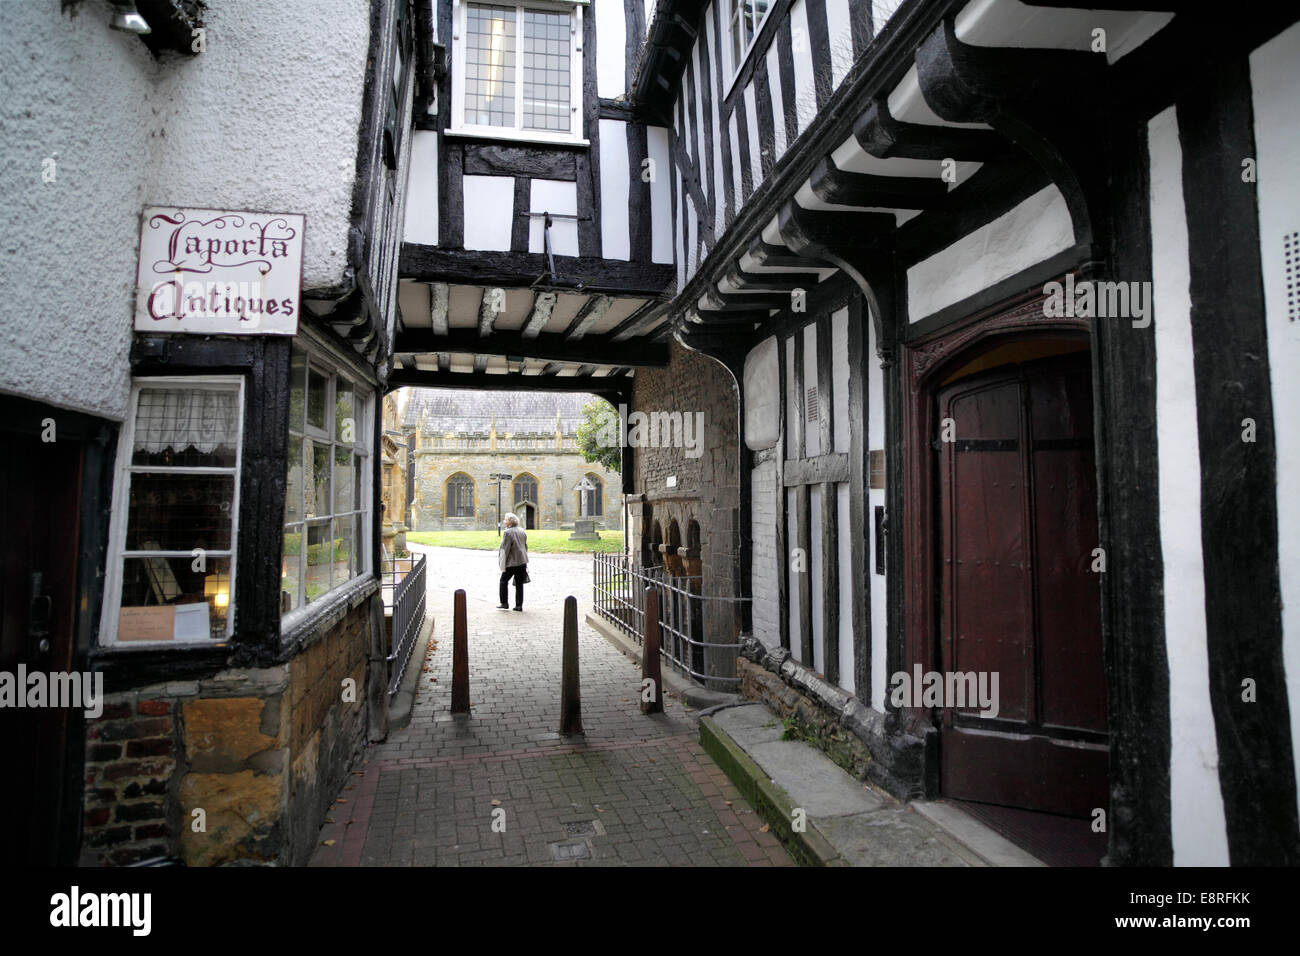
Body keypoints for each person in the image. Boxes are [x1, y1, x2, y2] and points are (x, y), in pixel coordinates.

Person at [497, 512, 529, 611]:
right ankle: (519, 606)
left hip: (512, 563)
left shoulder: (507, 533)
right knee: (519, 584)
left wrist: (502, 564)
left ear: (509, 522)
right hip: (522, 561)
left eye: (505, 520)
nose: (504, 521)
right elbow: (525, 546)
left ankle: (504, 603)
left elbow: (504, 549)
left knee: (503, 581)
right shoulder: (522, 531)